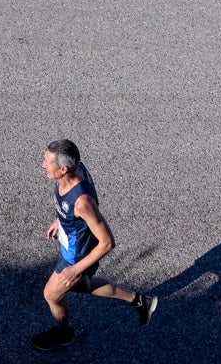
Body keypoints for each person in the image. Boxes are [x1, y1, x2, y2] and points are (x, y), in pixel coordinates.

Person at [30, 139, 157, 351]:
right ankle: (141, 302)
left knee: (51, 295)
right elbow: (68, 206)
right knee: (84, 286)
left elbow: (107, 242)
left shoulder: (82, 203)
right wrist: (60, 219)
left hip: (75, 256)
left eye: (47, 162)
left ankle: (64, 335)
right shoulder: (74, 170)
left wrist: (75, 269)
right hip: (74, 244)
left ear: (64, 169)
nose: (43, 165)